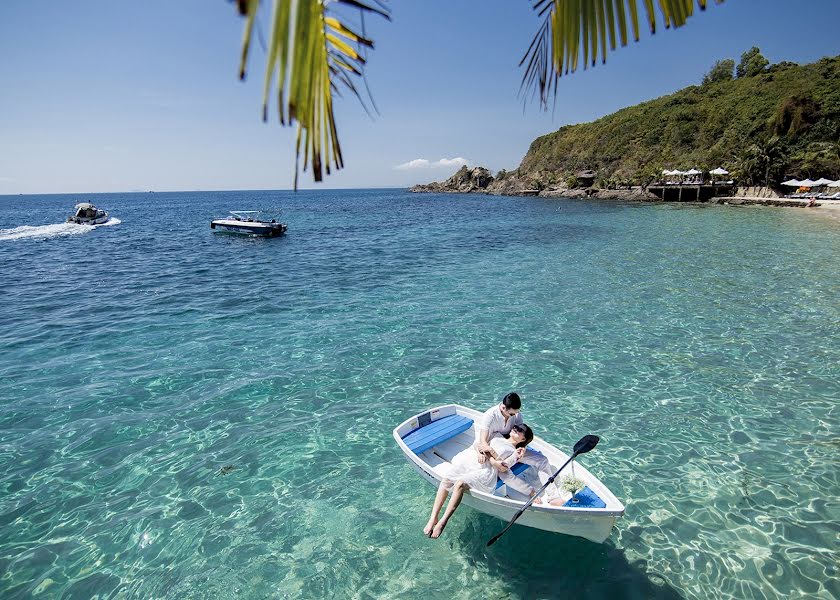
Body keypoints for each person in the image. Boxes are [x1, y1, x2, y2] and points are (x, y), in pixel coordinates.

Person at [424, 424, 539, 539]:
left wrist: (530, 491)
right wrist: (481, 452)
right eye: (515, 426)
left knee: (460, 483)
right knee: (447, 479)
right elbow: (478, 444)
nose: (515, 428)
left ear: (523, 439)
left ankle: (443, 521)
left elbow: (503, 467)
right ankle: (433, 517)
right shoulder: (496, 435)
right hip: (473, 462)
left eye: (520, 430)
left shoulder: (514, 451)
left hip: (486, 471)